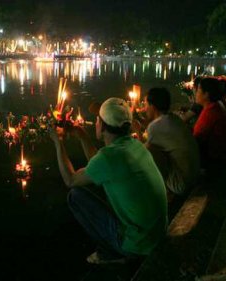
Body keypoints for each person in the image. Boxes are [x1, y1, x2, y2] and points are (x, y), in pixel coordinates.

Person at [49, 98, 167, 264]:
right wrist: (83, 137)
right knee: (98, 185)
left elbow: (71, 179)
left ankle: (109, 252)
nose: (96, 123)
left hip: (137, 244)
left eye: (98, 120)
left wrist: (58, 142)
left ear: (103, 127)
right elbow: (99, 166)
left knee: (76, 196)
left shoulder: (109, 157)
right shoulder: (135, 145)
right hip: (154, 235)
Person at [144, 88, 200, 195]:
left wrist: (137, 131)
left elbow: (143, 152)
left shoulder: (154, 127)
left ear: (153, 106)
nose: (144, 108)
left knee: (151, 151)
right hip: (194, 177)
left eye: (146, 104)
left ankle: (157, 192)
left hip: (181, 184)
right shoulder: (174, 119)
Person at [193, 77, 226, 172]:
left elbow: (197, 139)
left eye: (198, 90)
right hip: (216, 157)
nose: (196, 93)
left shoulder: (211, 112)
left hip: (210, 162)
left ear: (206, 94)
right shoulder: (215, 106)